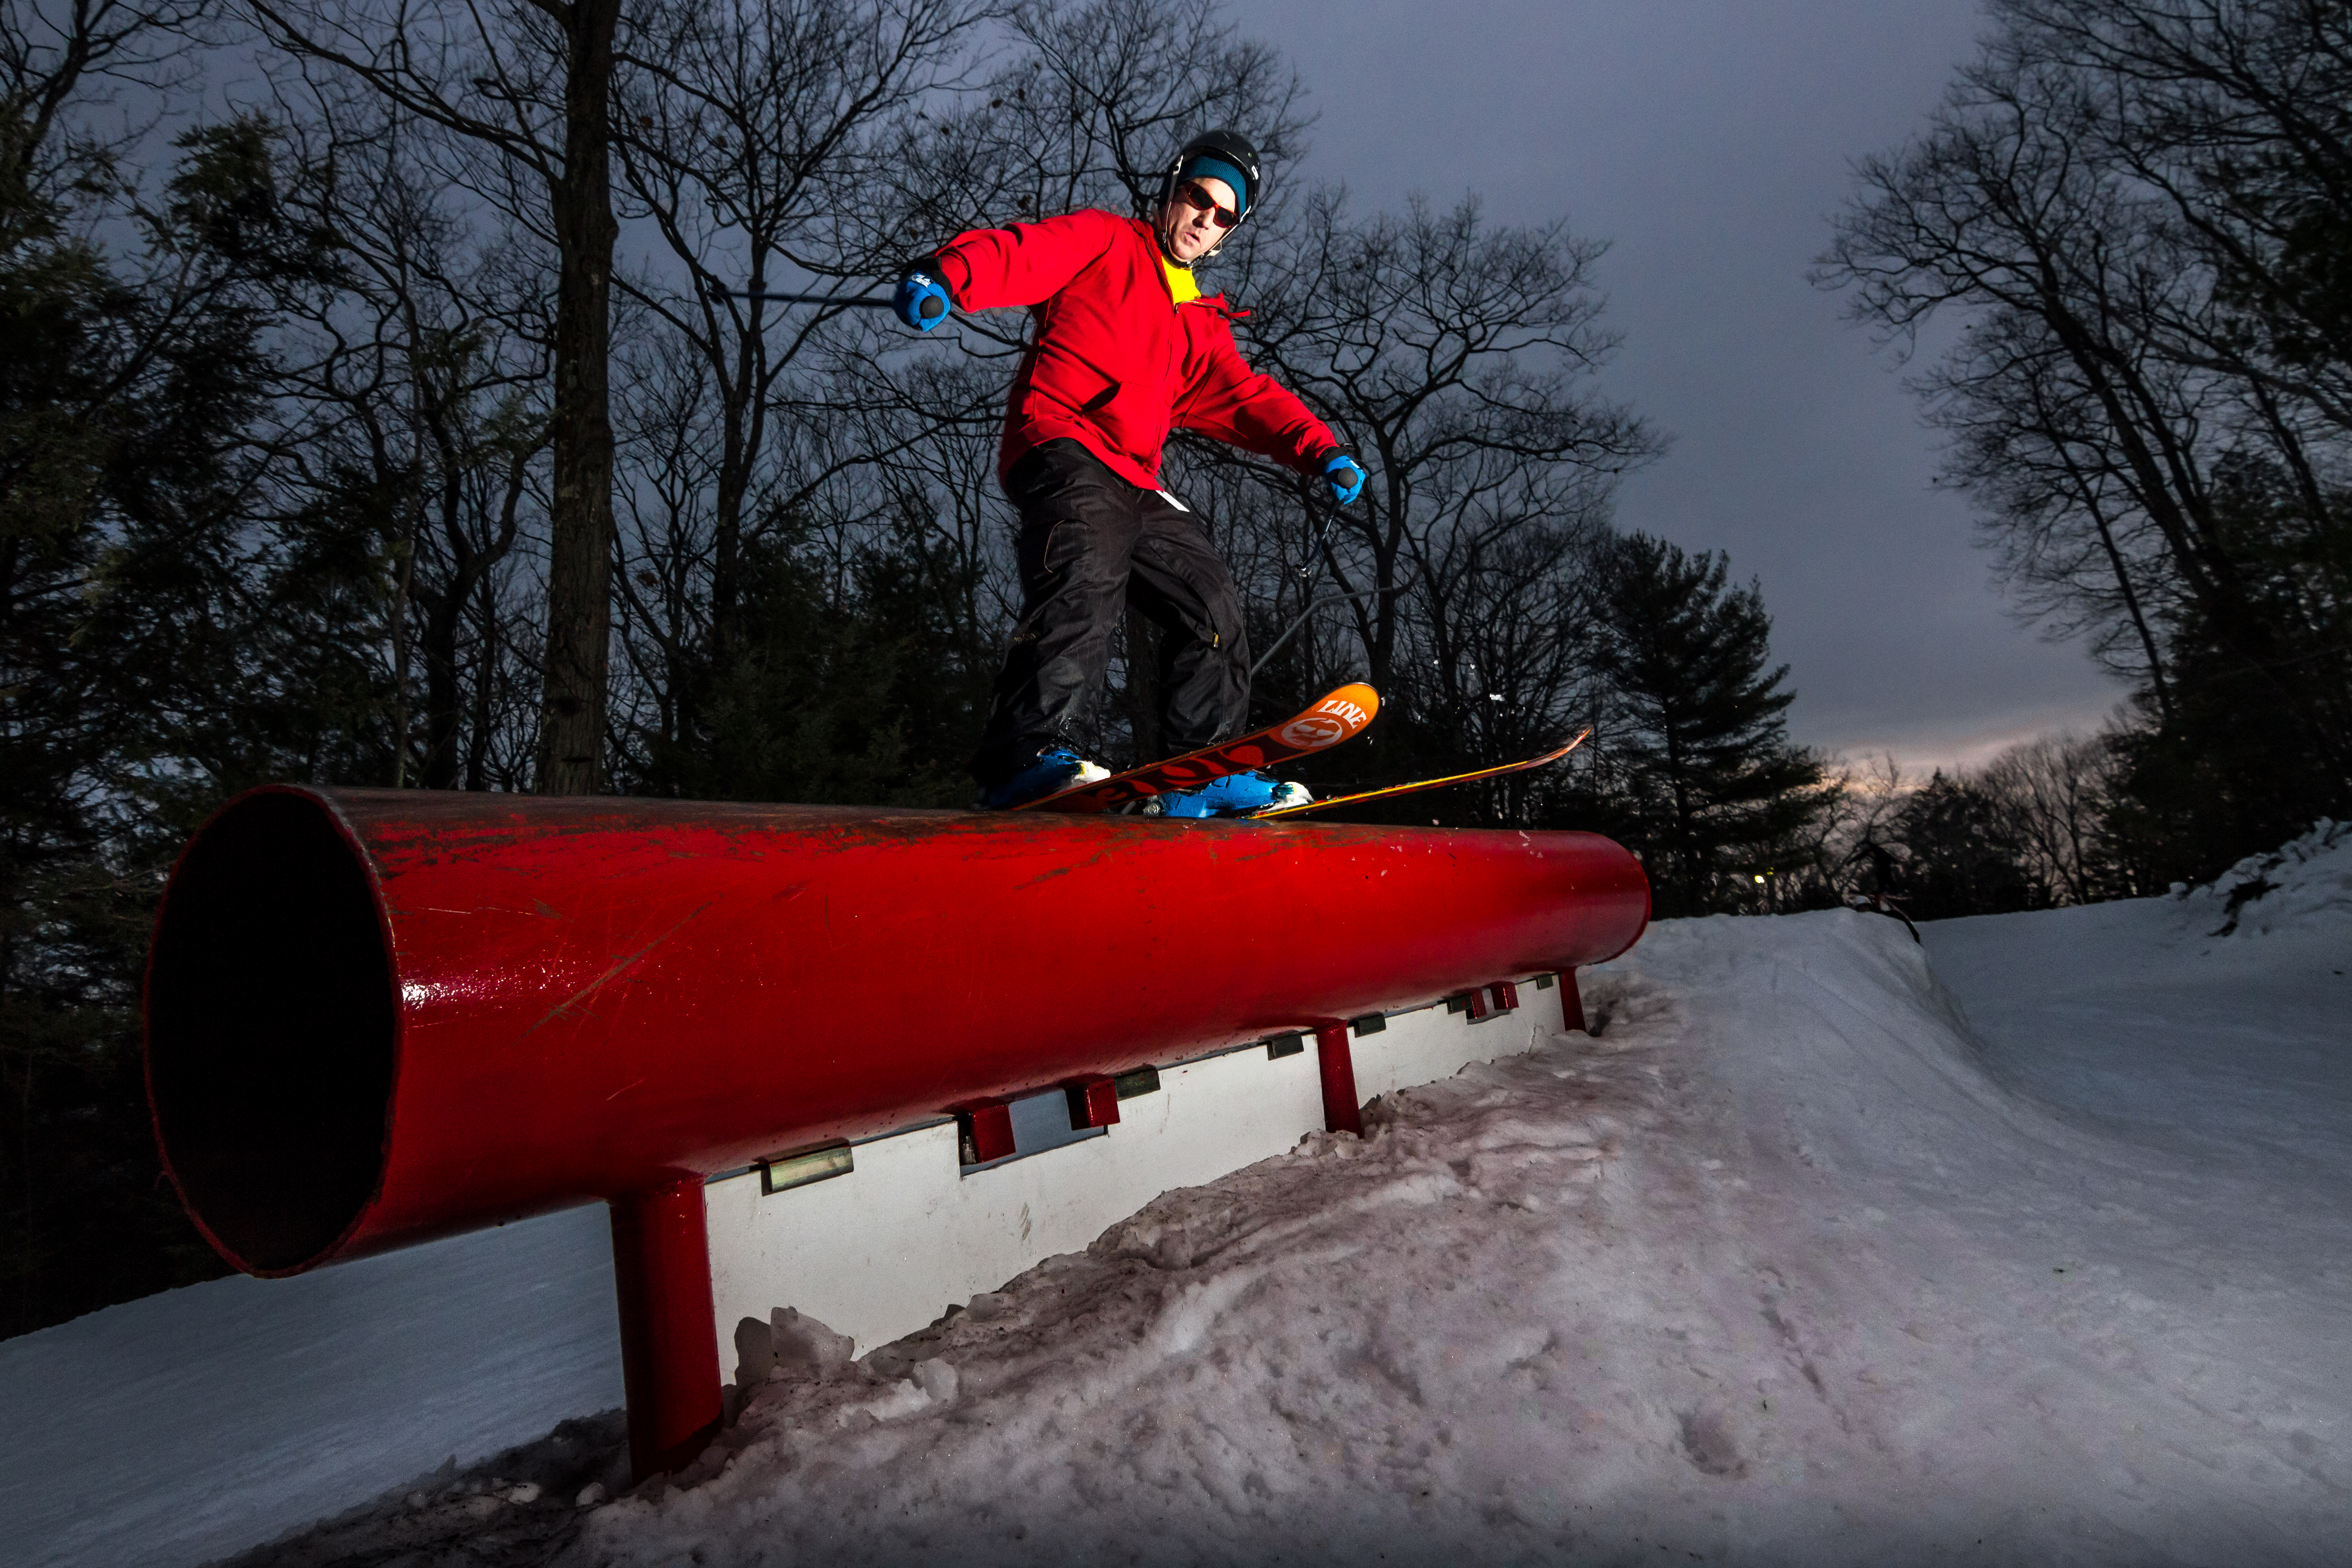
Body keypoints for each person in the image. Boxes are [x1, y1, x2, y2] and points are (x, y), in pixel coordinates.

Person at [894, 129, 1367, 814]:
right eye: (1196, 199)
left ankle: (1197, 771)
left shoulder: (1203, 325)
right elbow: (1019, 252)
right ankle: (1023, 755)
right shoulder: (1105, 241)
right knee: (1085, 571)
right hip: (1063, 441)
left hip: (1138, 477)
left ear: (1228, 233)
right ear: (1172, 192)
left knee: (1209, 602)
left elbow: (1244, 396)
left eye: (1222, 215)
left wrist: (1320, 449)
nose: (1204, 219)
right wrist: (944, 275)